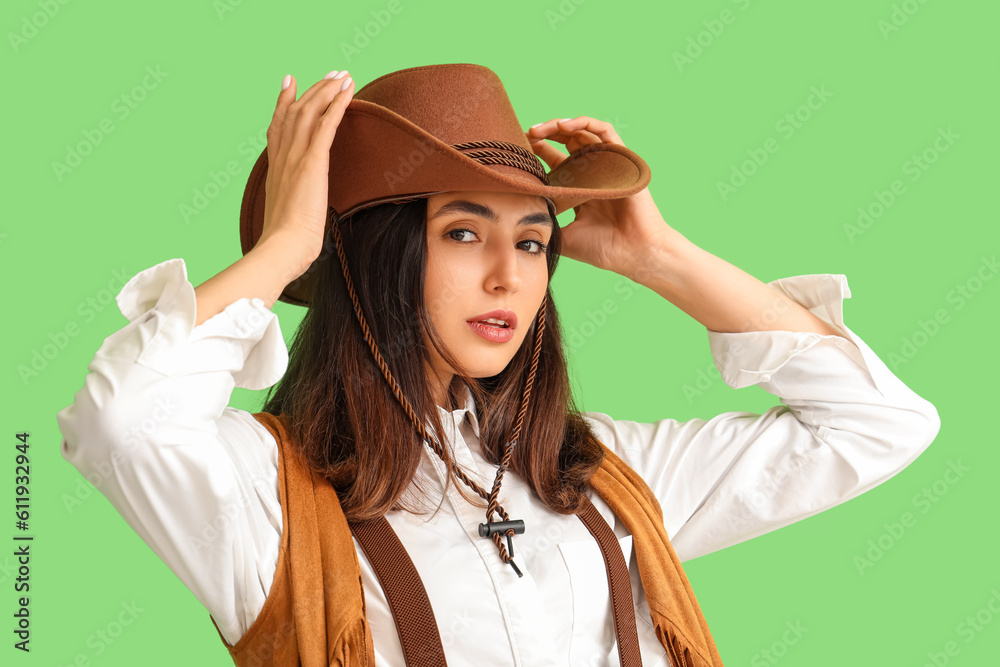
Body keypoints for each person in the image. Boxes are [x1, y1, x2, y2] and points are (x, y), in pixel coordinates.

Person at [57, 63, 940, 666]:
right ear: (383, 255)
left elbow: (879, 423)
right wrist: (289, 247)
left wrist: (657, 256)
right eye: (463, 231)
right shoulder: (266, 500)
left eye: (532, 239)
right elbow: (119, 422)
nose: (509, 274)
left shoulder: (597, 476)